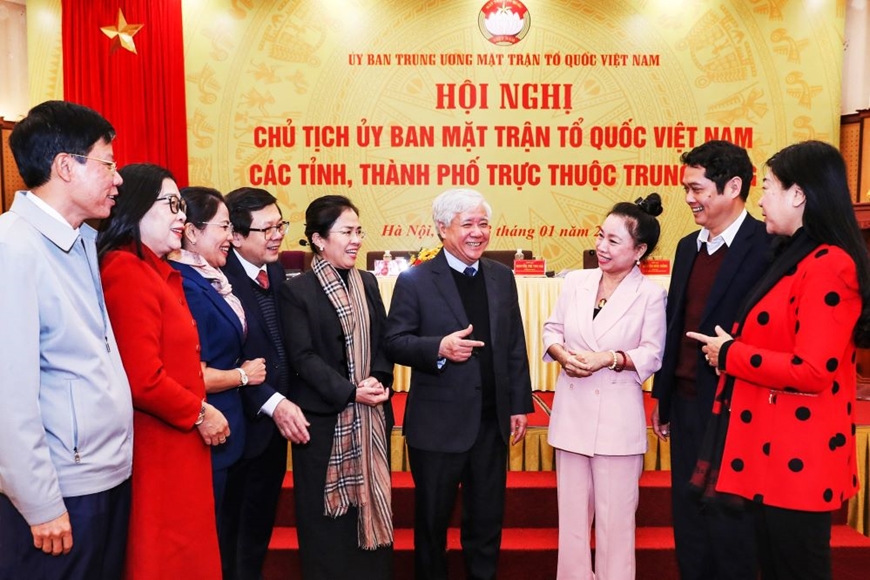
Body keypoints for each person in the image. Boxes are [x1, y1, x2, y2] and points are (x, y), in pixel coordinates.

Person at [687, 140, 870, 580]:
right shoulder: (795, 255)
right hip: (772, 451)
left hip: (798, 458)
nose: (761, 199)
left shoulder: (829, 265)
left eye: (768, 187)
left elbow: (812, 370)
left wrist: (732, 354)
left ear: (798, 194)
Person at [0, 100, 134, 579]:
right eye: (107, 164)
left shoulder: (81, 241)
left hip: (104, 474)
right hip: (59, 489)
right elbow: (8, 395)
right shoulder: (13, 247)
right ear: (65, 166)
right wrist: (39, 502)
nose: (118, 179)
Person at [384, 188, 534, 580]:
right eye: (467, 224)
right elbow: (394, 341)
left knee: (486, 522)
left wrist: (519, 404)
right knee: (432, 525)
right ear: (442, 228)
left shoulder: (501, 277)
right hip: (438, 427)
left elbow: (513, 344)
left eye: (483, 223)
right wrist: (439, 347)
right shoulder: (416, 280)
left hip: (491, 423)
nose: (478, 232)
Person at [97, 163, 229, 579]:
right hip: (157, 446)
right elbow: (142, 378)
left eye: (182, 206)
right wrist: (201, 412)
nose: (181, 216)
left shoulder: (154, 269)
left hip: (177, 443)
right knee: (163, 556)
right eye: (172, 204)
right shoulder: (125, 269)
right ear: (136, 206)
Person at [650, 140, 771, 580]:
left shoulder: (767, 246)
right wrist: (663, 398)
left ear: (733, 187)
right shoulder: (687, 246)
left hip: (736, 406)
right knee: (689, 516)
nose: (688, 199)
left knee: (730, 520)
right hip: (685, 403)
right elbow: (675, 323)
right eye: (687, 188)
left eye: (697, 189)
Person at [543, 194, 667, 580]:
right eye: (600, 236)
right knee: (572, 523)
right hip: (572, 415)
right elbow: (552, 330)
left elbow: (652, 353)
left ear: (639, 250)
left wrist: (609, 358)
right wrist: (561, 355)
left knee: (617, 525)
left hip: (617, 422)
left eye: (614, 240)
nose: (601, 246)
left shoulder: (651, 294)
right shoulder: (576, 282)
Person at [280, 195, 394, 578]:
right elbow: (302, 357)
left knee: (370, 508)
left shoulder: (368, 282)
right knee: (326, 523)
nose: (356, 240)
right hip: (323, 422)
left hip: (371, 415)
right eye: (346, 232)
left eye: (359, 231)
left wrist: (379, 378)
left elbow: (384, 340)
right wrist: (350, 391)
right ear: (318, 239)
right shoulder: (298, 290)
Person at [168, 186, 267, 575]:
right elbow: (191, 374)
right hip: (204, 432)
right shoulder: (186, 284)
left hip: (227, 433)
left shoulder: (212, 278)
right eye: (223, 226)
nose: (230, 235)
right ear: (192, 232)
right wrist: (243, 375)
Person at [220, 186, 310, 580]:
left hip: (272, 428)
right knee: (231, 532)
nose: (277, 236)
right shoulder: (219, 277)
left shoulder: (273, 269)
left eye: (280, 225)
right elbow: (226, 357)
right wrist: (273, 402)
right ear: (236, 236)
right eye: (267, 229)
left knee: (258, 528)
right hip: (239, 424)